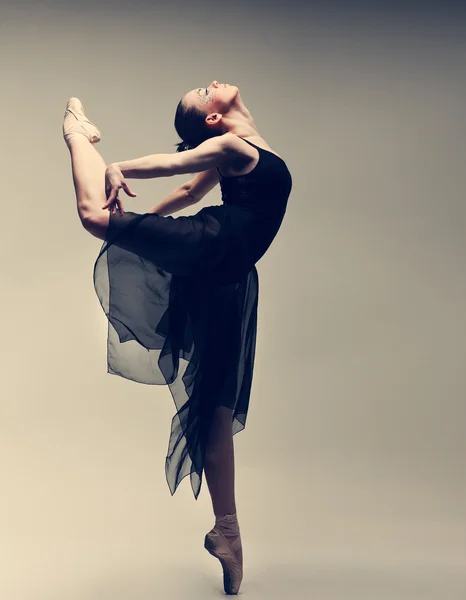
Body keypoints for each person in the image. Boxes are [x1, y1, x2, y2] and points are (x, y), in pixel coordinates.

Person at [62, 81, 292, 595]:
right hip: (212, 248)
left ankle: (227, 532)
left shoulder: (247, 148)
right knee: (94, 216)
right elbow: (173, 165)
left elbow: (188, 192)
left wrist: (143, 230)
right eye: (204, 92)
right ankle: (77, 136)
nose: (212, 84)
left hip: (227, 273)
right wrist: (117, 170)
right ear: (212, 118)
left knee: (215, 407)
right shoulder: (232, 146)